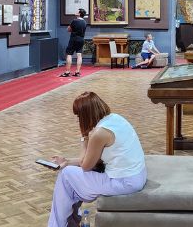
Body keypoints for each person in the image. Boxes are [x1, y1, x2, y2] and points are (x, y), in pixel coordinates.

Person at [48, 92, 146, 227]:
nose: (78, 121)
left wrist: (84, 138)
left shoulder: (99, 134)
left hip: (124, 182)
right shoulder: (115, 118)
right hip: (136, 176)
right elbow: (93, 159)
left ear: (85, 115)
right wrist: (67, 161)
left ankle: (58, 225)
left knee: (66, 175)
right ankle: (68, 223)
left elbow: (85, 166)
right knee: (69, 177)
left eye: (78, 116)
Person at [61, 8, 87, 78]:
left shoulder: (74, 21)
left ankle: (67, 72)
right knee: (79, 55)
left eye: (77, 12)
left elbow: (68, 29)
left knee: (69, 54)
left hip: (74, 39)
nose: (76, 12)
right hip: (81, 39)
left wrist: (71, 28)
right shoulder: (84, 22)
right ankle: (77, 72)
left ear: (79, 14)